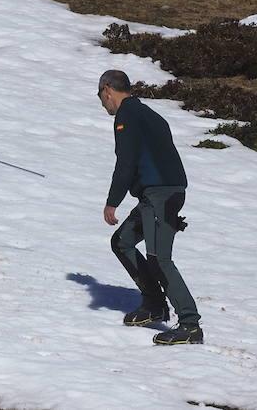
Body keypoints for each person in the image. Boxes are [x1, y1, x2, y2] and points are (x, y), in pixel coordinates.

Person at [98, 70, 202, 345]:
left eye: (100, 96)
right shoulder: (150, 115)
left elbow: (126, 161)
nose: (102, 103)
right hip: (159, 194)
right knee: (122, 241)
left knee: (159, 257)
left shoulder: (127, 116)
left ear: (107, 89)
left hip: (160, 195)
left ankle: (190, 324)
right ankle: (155, 303)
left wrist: (113, 201)